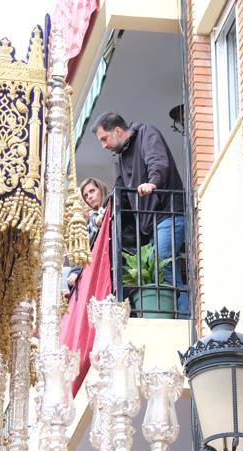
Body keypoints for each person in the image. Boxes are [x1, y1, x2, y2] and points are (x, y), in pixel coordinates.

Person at [93, 111, 188, 315]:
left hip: (167, 215)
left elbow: (158, 163)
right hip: (150, 227)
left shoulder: (147, 134)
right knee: (163, 273)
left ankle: (184, 318)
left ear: (118, 130)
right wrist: (106, 214)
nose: (104, 145)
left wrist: (152, 183)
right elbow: (119, 192)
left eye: (104, 138)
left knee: (165, 272)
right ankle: (180, 314)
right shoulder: (119, 158)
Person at [65, 177, 110, 295]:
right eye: (85, 195)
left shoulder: (113, 205)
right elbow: (84, 252)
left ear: (100, 189)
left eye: (92, 191)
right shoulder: (89, 221)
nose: (89, 197)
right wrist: (74, 273)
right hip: (95, 267)